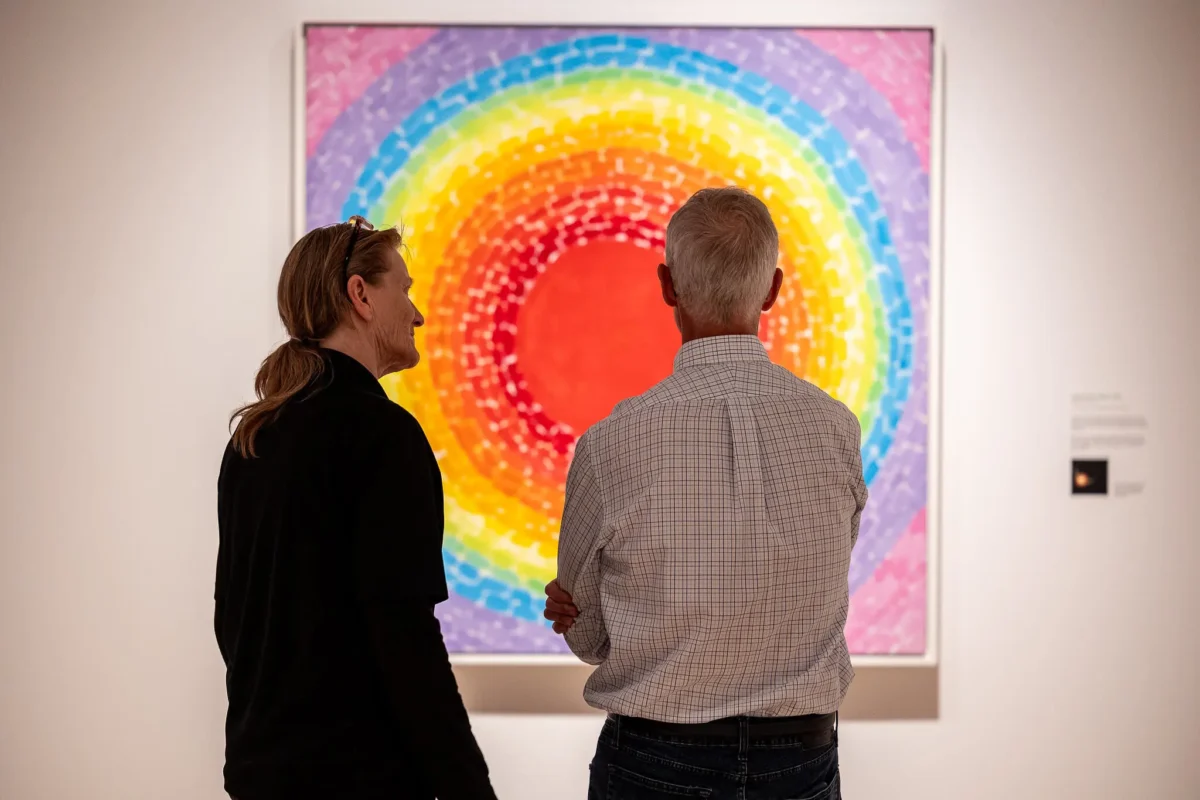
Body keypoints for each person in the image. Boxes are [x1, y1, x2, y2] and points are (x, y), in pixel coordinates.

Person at [544, 187, 867, 799]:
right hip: (801, 762)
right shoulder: (835, 429)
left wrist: (590, 613)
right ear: (772, 289)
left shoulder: (612, 443)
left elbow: (589, 637)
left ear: (667, 284)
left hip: (654, 761)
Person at [215, 217, 497, 800]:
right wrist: (470, 788)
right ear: (360, 295)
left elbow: (233, 620)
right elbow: (404, 636)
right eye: (406, 288)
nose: (417, 314)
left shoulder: (253, 437)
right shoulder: (382, 435)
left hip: (260, 771)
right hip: (360, 775)